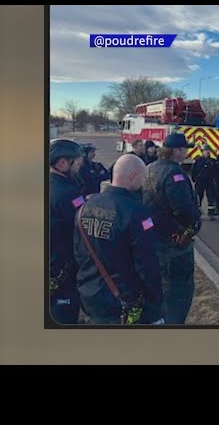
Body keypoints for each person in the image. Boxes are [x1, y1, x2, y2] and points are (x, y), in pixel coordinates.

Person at [74, 154, 164, 325]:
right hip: (123, 299)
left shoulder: (86, 206)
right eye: (143, 177)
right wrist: (156, 301)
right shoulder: (137, 212)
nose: (144, 183)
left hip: (90, 294)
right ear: (133, 177)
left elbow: (78, 253)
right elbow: (146, 263)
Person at [142, 133, 201, 324]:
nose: (187, 152)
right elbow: (184, 209)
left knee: (160, 285)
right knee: (178, 290)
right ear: (177, 151)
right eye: (185, 148)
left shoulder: (150, 168)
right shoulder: (175, 174)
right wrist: (195, 221)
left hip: (153, 239)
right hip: (174, 243)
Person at [49, 139, 85, 324]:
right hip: (63, 270)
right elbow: (81, 228)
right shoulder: (67, 193)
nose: (80, 166)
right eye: (77, 162)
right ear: (62, 163)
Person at [191, 144, 219, 217]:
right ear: (202, 152)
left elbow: (217, 172)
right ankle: (198, 213)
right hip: (200, 182)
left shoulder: (213, 161)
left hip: (210, 182)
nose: (207, 152)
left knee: (211, 198)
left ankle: (211, 213)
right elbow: (193, 171)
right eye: (206, 150)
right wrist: (194, 179)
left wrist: (217, 181)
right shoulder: (198, 161)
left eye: (208, 150)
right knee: (198, 198)